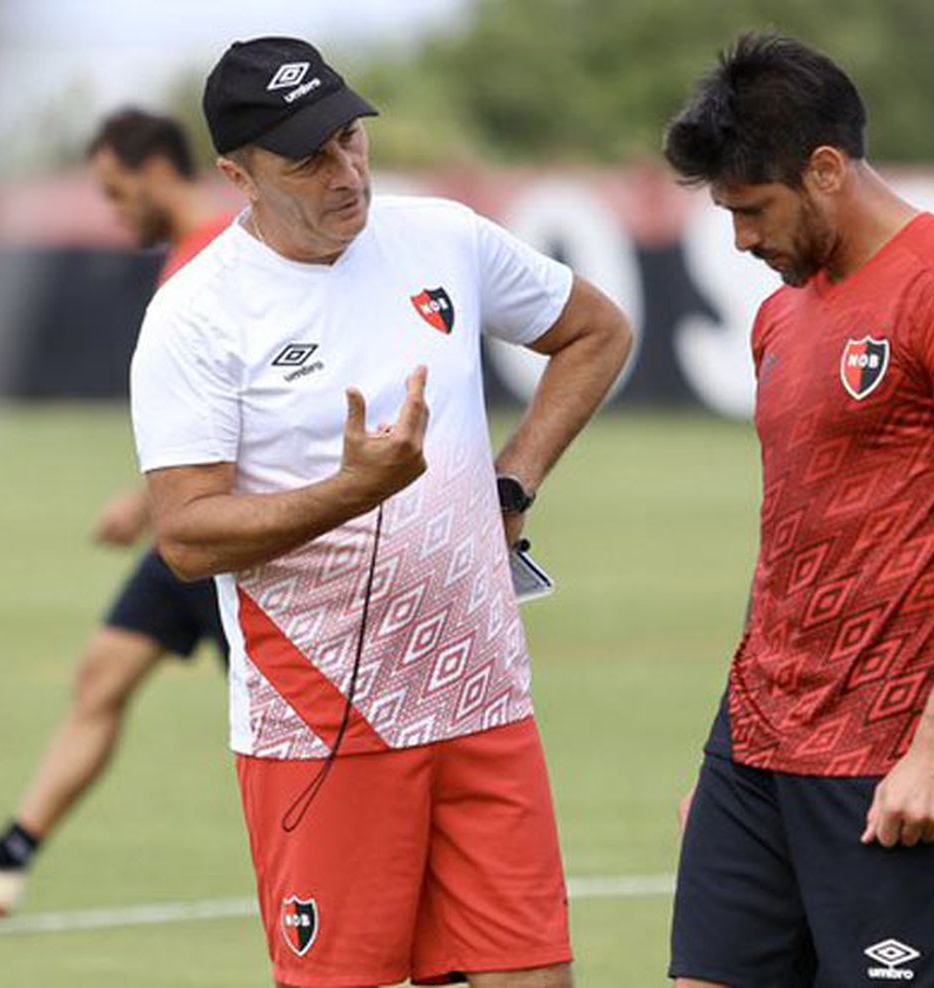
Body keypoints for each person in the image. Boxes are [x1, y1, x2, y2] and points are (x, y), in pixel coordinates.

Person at [129, 37, 631, 988]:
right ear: (238, 176)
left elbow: (596, 332)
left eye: (350, 138)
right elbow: (186, 536)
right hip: (324, 724)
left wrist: (512, 483)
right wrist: (350, 493)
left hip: (484, 694)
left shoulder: (444, 236)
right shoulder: (197, 315)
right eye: (307, 158)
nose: (345, 171)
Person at [662, 34, 934, 987]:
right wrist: (732, 763)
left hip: (888, 759)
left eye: (753, 209)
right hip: (755, 746)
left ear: (825, 169)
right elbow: (797, 540)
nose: (741, 240)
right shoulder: (780, 316)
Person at [0, 109, 235, 917]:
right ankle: (7, 858)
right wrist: (146, 501)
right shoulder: (183, 264)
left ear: (158, 169)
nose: (112, 209)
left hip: (235, 538)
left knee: (286, 731)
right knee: (102, 675)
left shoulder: (229, 261)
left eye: (115, 190)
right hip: (184, 532)